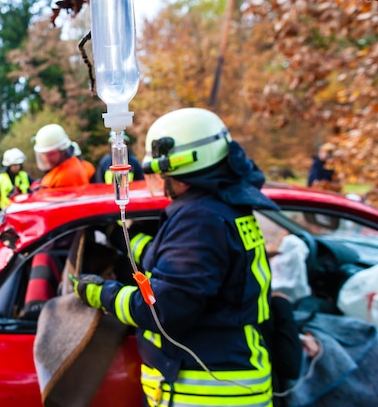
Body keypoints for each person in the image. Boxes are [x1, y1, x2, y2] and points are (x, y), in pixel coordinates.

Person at [71, 107, 280, 407]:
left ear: (183, 168)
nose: (160, 182)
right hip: (232, 380)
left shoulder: (200, 219)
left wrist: (100, 294)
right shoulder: (222, 208)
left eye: (162, 173)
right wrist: (122, 236)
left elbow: (163, 311)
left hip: (209, 394)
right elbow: (170, 261)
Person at [31, 124, 89, 190]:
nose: (46, 158)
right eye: (43, 154)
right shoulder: (59, 169)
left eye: (50, 154)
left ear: (62, 151)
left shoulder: (66, 176)